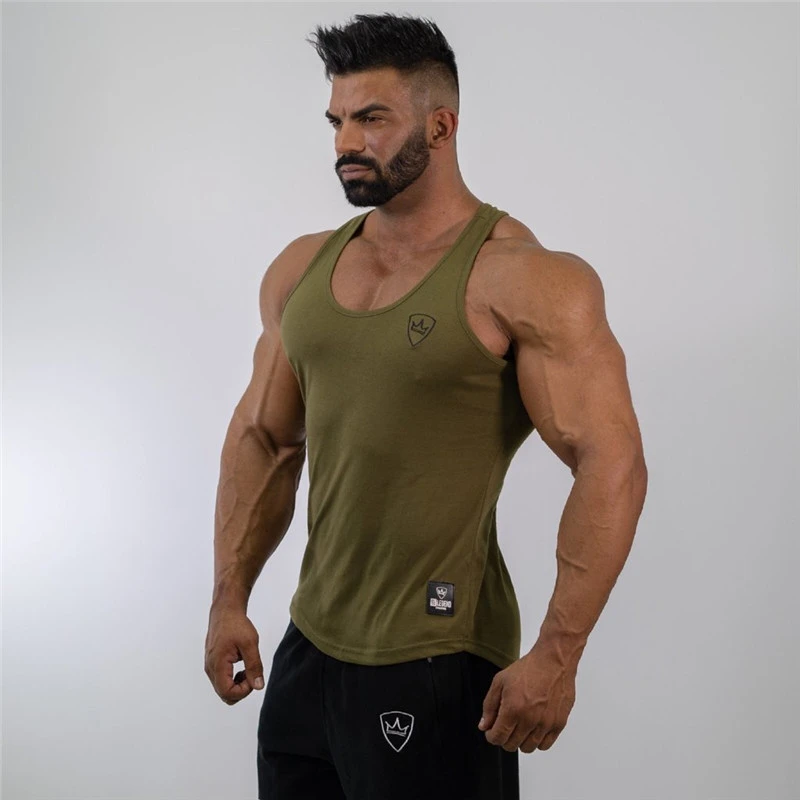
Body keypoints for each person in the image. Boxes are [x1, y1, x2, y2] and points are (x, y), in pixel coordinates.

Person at [204, 11, 648, 800]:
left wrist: (557, 655)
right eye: (337, 120)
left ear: (441, 126)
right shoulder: (302, 269)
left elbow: (610, 462)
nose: (347, 142)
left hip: (439, 661)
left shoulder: (521, 278)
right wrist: (228, 599)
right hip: (310, 647)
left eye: (372, 119)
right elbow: (266, 438)